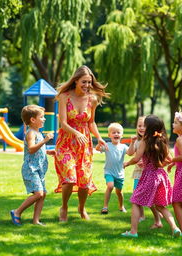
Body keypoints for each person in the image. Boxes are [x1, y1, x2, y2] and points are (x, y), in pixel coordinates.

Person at [54, 65, 109, 222]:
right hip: (66, 142)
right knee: (70, 178)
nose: (87, 86)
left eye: (89, 82)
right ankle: (64, 207)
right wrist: (76, 133)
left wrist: (99, 137)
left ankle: (81, 207)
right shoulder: (65, 97)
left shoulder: (92, 99)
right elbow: (63, 123)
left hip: (84, 144)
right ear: (76, 81)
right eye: (84, 82)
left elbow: (91, 123)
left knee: (84, 181)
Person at [121, 115, 181, 238]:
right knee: (160, 205)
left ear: (148, 128)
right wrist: (159, 164)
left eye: (145, 125)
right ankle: (175, 228)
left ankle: (133, 232)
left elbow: (136, 158)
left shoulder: (145, 141)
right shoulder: (162, 140)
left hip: (149, 175)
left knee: (135, 201)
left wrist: (127, 163)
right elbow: (169, 159)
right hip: (161, 176)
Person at [10, 105, 54, 226]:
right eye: (42, 117)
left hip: (39, 169)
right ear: (33, 120)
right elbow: (31, 149)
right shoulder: (31, 133)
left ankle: (36, 220)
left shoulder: (38, 133)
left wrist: (48, 151)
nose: (44, 119)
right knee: (38, 193)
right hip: (31, 169)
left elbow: (38, 150)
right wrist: (45, 141)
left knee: (42, 194)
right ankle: (17, 212)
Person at [127, 116, 162, 228]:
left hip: (148, 174)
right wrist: (132, 143)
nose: (141, 128)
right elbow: (130, 153)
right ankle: (142, 215)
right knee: (136, 195)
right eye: (139, 126)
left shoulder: (151, 141)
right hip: (139, 173)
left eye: (144, 126)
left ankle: (156, 218)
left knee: (145, 197)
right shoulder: (138, 141)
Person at [96, 123, 129, 214]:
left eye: (118, 132)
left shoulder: (123, 147)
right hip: (109, 171)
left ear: (121, 135)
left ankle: (121, 206)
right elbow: (97, 149)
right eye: (113, 132)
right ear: (109, 135)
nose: (116, 134)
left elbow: (130, 153)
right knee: (110, 186)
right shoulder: (107, 145)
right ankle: (105, 207)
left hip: (119, 173)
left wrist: (134, 143)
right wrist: (99, 143)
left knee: (119, 192)